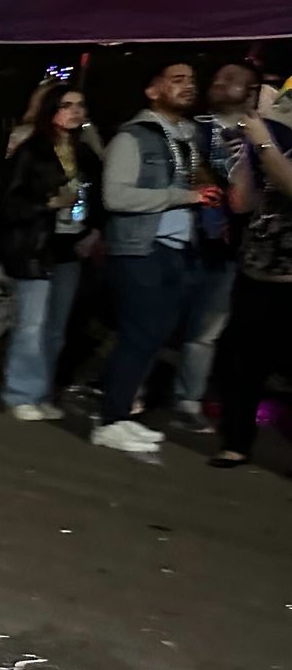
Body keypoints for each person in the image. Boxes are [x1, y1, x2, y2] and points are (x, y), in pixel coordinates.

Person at [90, 60, 226, 453]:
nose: (187, 86)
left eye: (192, 80)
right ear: (152, 90)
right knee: (139, 334)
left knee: (153, 336)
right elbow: (116, 197)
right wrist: (185, 196)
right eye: (176, 80)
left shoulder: (191, 137)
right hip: (140, 249)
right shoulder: (133, 137)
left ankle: (120, 415)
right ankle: (109, 420)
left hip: (178, 250)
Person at [0, 84, 96, 420]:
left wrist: (93, 230)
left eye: (80, 105)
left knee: (55, 326)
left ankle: (40, 391)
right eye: (66, 105)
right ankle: (19, 392)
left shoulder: (85, 153)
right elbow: (5, 201)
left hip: (71, 243)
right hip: (36, 244)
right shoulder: (32, 150)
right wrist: (48, 203)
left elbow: (99, 195)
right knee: (31, 323)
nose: (75, 112)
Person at [170, 61, 259, 432]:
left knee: (205, 332)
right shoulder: (190, 127)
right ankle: (125, 387)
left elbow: (251, 201)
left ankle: (187, 400)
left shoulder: (264, 137)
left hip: (227, 248)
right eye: (218, 75)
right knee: (154, 318)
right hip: (182, 237)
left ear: (252, 92)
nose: (220, 81)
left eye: (233, 79)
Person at [209, 98, 292, 468]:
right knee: (240, 364)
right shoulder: (280, 146)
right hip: (256, 273)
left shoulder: (273, 147)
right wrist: (242, 157)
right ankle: (236, 442)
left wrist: (261, 142)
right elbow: (244, 205)